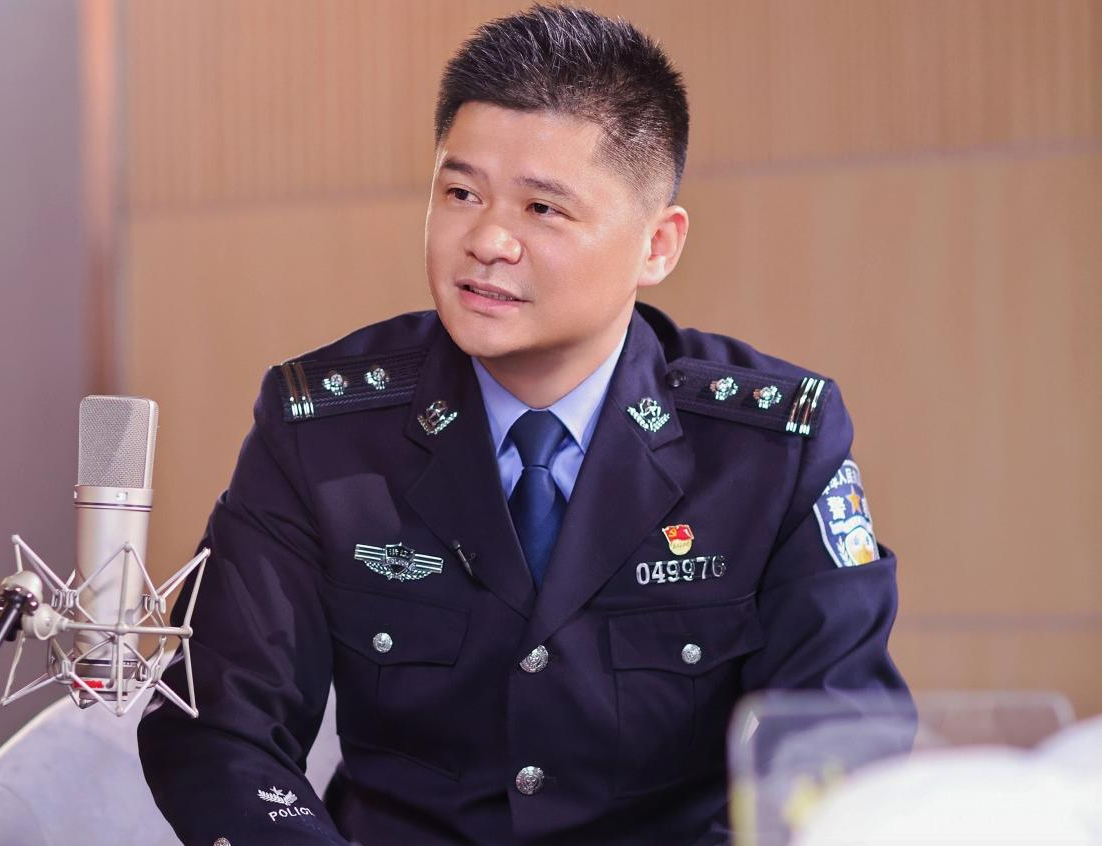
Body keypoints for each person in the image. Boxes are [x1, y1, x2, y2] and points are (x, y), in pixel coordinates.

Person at [138, 6, 908, 845]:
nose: (487, 240)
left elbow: (834, 742)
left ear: (657, 245)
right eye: (460, 194)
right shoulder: (322, 428)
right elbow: (221, 727)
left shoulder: (770, 447)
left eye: (542, 209)